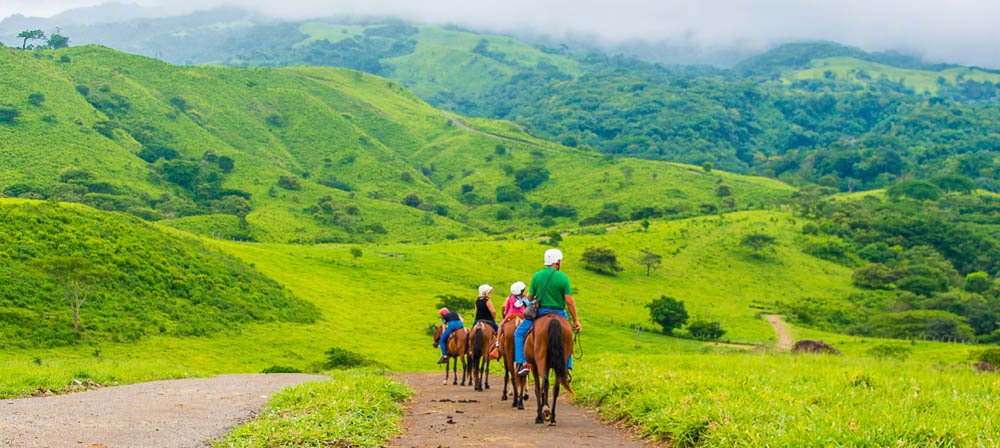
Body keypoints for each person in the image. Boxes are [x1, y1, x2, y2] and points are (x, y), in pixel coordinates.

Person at [514, 248, 582, 376]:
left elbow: (529, 297)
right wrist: (576, 320)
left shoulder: (537, 275)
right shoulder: (563, 278)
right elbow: (569, 301)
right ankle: (567, 366)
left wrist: (526, 303)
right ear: (557, 262)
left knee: (519, 333)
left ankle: (522, 364)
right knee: (568, 336)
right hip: (560, 312)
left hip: (540, 312)